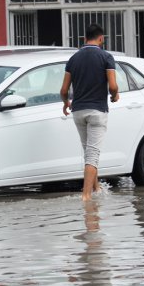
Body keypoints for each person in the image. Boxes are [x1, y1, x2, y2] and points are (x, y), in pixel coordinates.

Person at [60, 24, 119, 201]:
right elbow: (113, 86)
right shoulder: (106, 57)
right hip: (97, 111)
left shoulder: (73, 59)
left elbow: (64, 90)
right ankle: (86, 197)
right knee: (93, 154)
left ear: (85, 38)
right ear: (101, 39)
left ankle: (97, 189)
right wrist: (115, 95)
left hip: (78, 111)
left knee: (89, 152)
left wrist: (65, 103)